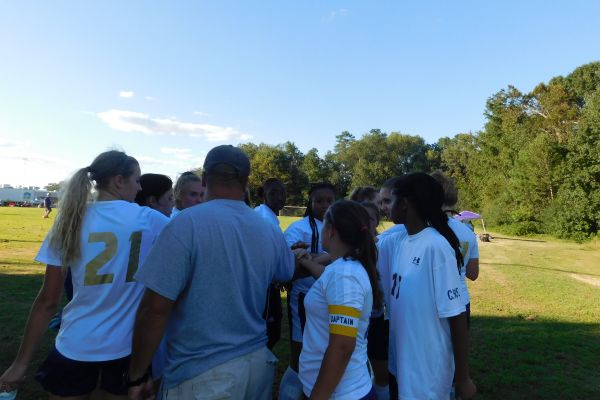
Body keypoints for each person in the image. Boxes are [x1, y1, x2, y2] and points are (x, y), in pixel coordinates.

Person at [127, 145, 296, 400]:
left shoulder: (186, 224)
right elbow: (288, 271)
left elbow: (155, 308)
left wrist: (137, 374)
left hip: (202, 374)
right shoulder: (267, 228)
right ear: (246, 182)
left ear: (205, 179)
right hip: (257, 365)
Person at [0, 150, 170, 398]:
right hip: (124, 350)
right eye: (136, 179)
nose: (140, 186)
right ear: (118, 180)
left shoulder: (70, 219)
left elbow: (48, 301)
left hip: (74, 345)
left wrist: (20, 364)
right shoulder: (150, 219)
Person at [378, 172, 476, 400]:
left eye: (390, 201)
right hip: (402, 362)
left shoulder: (435, 246)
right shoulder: (402, 240)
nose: (385, 207)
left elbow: (457, 315)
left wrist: (462, 378)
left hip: (426, 371)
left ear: (404, 204)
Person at [295, 200, 380, 399]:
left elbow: (342, 346)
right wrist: (306, 261)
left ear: (331, 230)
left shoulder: (345, 275)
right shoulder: (341, 268)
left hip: (341, 394)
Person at [279, 183, 335, 400]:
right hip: (303, 298)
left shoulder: (338, 226)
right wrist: (296, 253)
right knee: (299, 357)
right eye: (319, 201)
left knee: (322, 353)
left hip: (329, 299)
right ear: (310, 203)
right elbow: (286, 266)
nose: (324, 205)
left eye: (329, 200)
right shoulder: (298, 229)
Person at [430, 171, 479, 327]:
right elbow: (472, 274)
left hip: (432, 302)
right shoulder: (468, 233)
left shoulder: (425, 231)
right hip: (461, 301)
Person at [254, 178, 287, 350]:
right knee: (269, 333)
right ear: (263, 196)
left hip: (264, 283)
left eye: (282, 193)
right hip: (265, 286)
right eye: (273, 193)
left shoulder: (265, 215)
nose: (279, 197)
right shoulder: (266, 219)